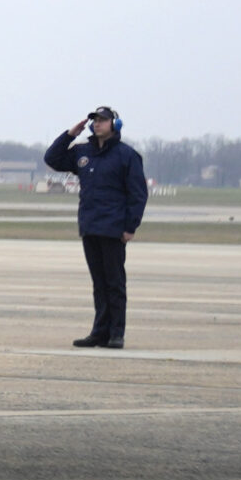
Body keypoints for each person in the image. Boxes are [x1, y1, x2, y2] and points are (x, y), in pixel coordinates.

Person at [44, 105, 147, 348]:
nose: (98, 123)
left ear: (115, 124)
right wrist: (70, 134)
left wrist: (130, 226)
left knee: (114, 283)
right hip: (90, 226)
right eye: (95, 120)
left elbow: (138, 195)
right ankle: (99, 331)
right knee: (98, 284)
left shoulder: (127, 156)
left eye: (103, 120)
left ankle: (116, 333)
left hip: (113, 228)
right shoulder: (83, 152)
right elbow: (52, 159)